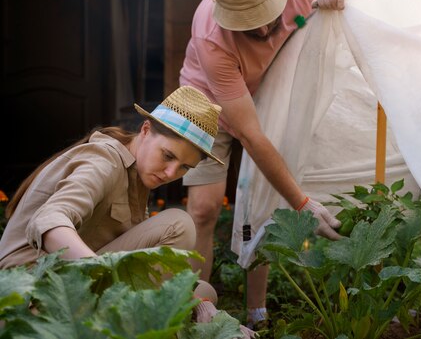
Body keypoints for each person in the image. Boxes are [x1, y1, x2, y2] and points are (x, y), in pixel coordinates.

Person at [179, 0, 367, 327]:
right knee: (203, 209)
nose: (265, 31)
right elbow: (250, 135)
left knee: (259, 196)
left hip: (268, 91)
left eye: (268, 17)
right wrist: (303, 204)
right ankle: (198, 309)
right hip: (204, 99)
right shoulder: (210, 37)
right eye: (251, 26)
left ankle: (257, 314)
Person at [0, 86, 253, 337]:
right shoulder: (105, 160)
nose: (170, 174)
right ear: (145, 130)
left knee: (204, 293)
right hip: (28, 297)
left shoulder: (136, 176)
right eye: (167, 156)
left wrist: (210, 312)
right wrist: (104, 273)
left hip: (70, 283)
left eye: (184, 168)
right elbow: (49, 219)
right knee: (179, 224)